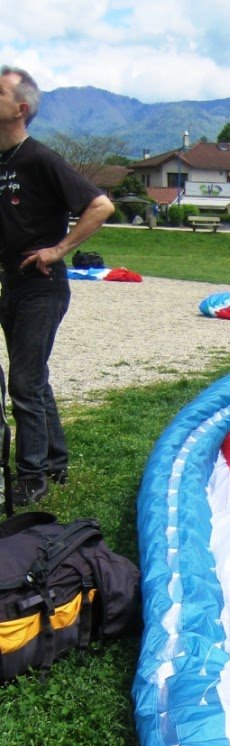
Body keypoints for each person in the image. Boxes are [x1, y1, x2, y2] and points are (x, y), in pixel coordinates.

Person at [0, 65, 114, 507]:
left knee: (24, 383)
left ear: (20, 109)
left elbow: (100, 205)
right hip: (12, 283)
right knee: (34, 378)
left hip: (42, 287)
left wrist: (59, 248)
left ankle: (31, 478)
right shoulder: (4, 160)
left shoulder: (39, 158)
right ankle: (54, 460)